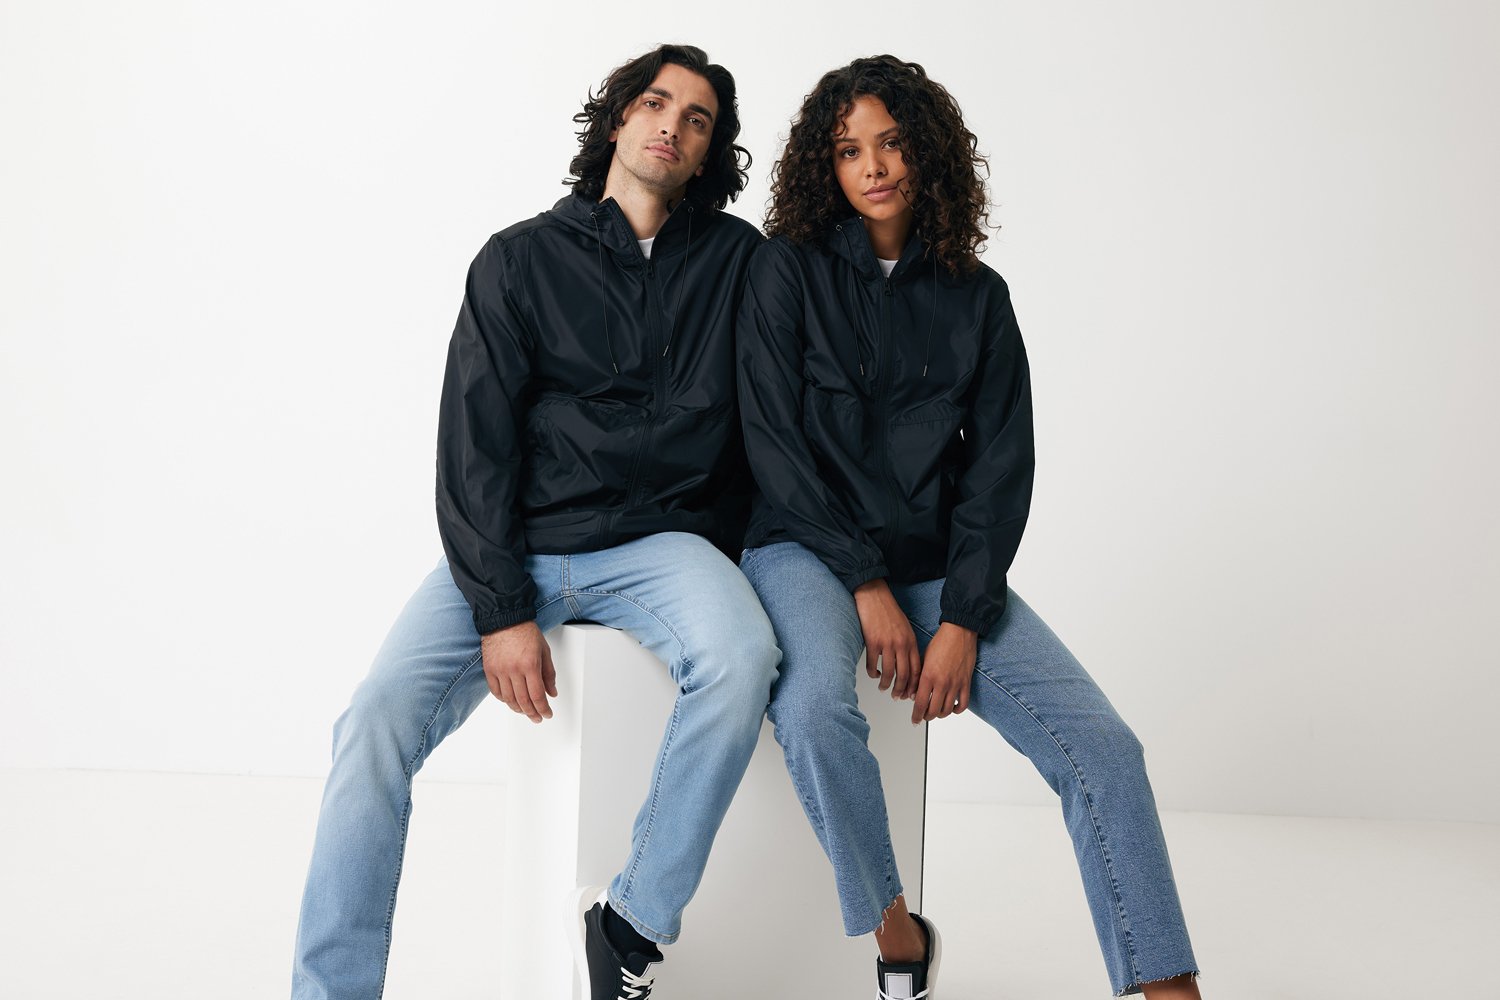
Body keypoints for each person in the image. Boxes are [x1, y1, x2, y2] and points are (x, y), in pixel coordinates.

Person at [290, 44, 779, 1000]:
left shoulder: (739, 263)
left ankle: (630, 922)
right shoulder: (518, 260)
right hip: (518, 542)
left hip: (662, 545)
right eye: (655, 103)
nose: (672, 126)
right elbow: (472, 445)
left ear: (709, 150)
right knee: (374, 721)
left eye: (697, 118)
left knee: (742, 656)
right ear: (618, 118)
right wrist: (502, 608)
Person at [736, 55, 1202, 998]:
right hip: (802, 547)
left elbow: (999, 471)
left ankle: (1168, 990)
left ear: (929, 153)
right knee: (814, 711)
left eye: (892, 144)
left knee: (1106, 750)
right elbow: (773, 445)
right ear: (824, 166)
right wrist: (866, 582)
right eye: (849, 150)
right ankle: (898, 935)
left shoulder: (978, 297)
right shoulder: (784, 269)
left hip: (938, 565)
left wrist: (962, 616)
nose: (874, 167)